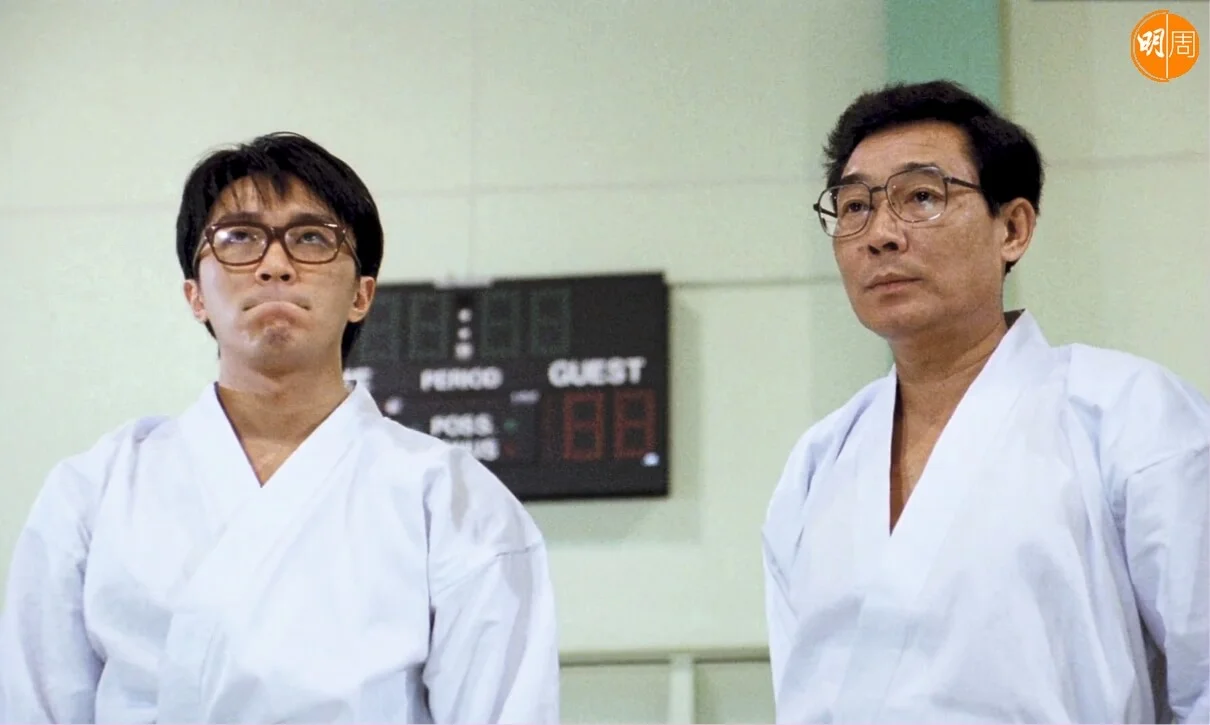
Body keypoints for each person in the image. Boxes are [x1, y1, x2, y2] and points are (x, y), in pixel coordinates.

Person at [0, 132, 560, 723]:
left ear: (362, 295)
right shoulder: (96, 489)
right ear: (195, 295)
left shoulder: (451, 501)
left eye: (311, 238)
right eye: (238, 238)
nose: (274, 265)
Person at [762, 80, 1208, 723]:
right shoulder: (817, 463)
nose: (879, 234)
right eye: (854, 206)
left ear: (1013, 229)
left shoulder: (1128, 417)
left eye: (921, 196)